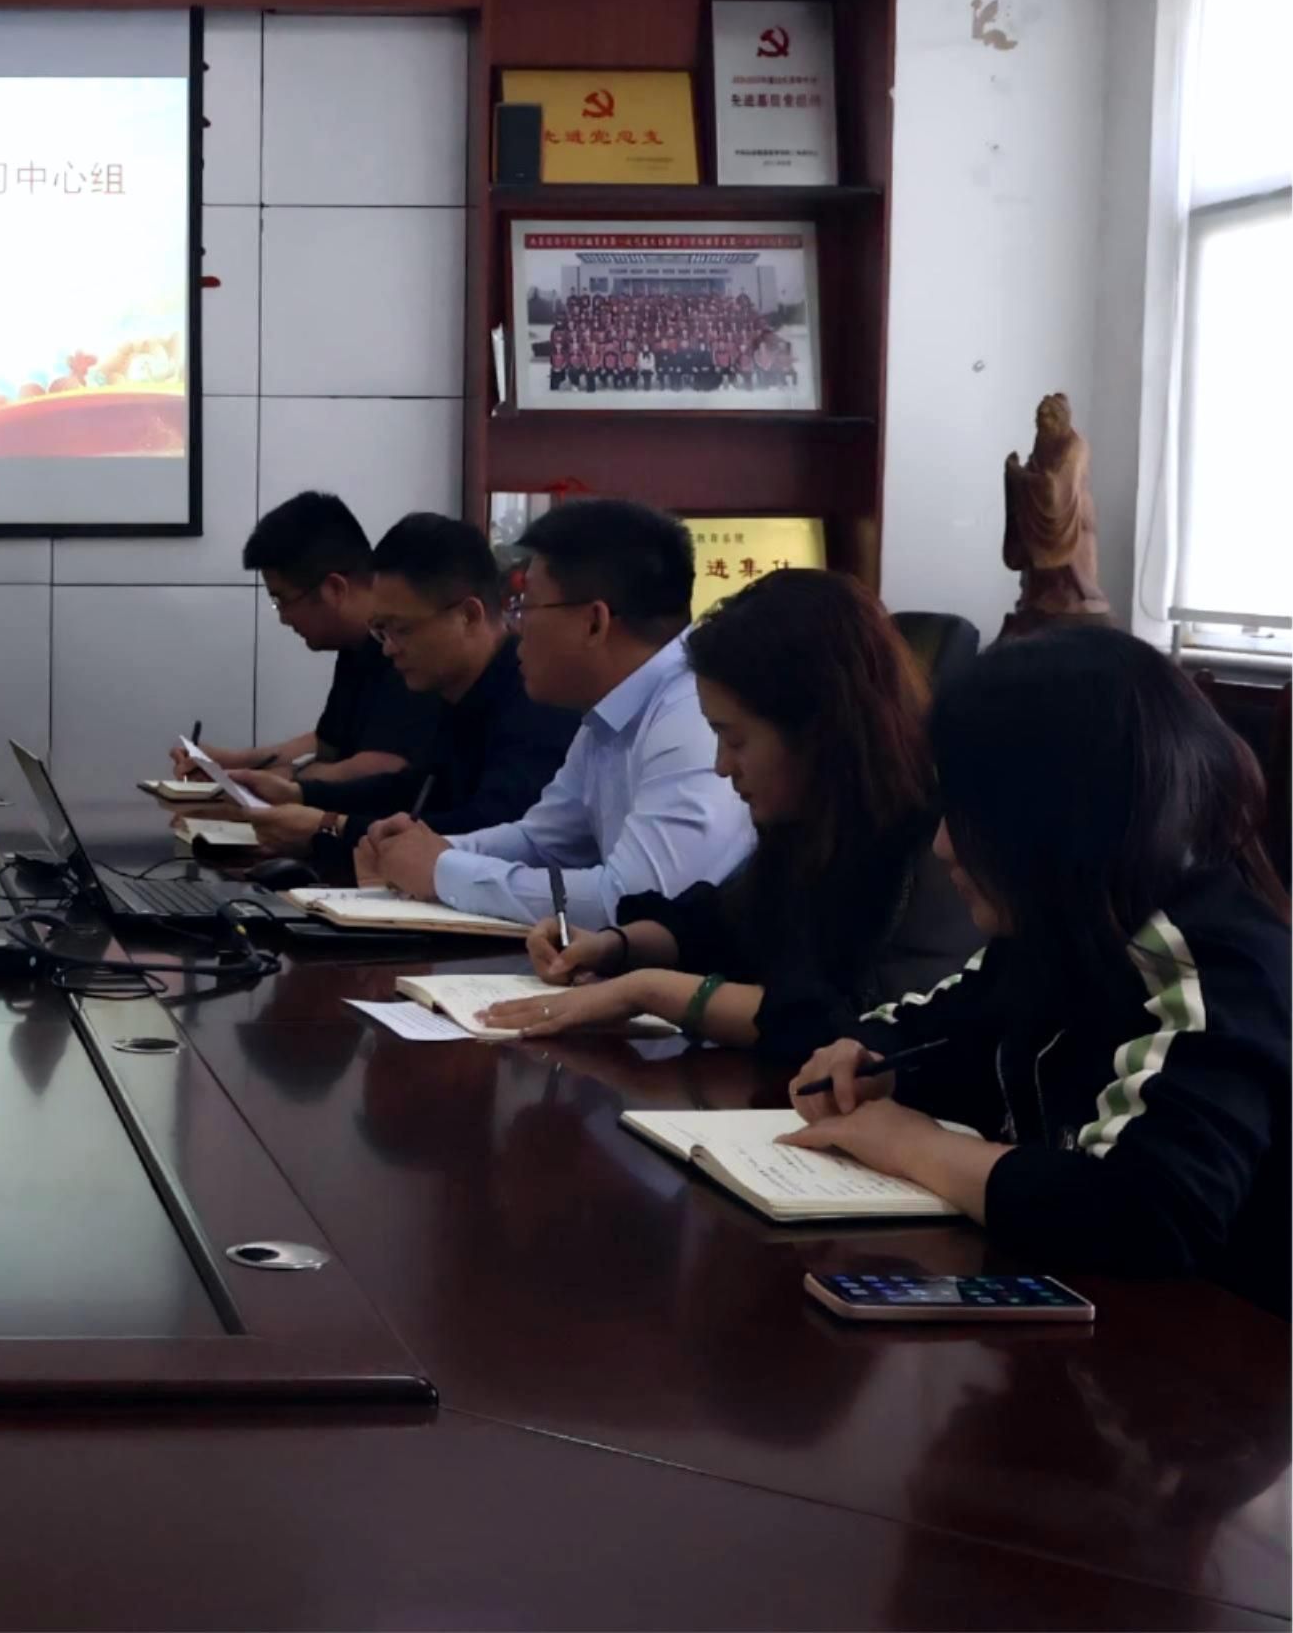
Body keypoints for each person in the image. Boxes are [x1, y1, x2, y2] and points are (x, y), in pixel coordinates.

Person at [782, 625, 1288, 1316]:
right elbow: (933, 1028)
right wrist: (870, 1060)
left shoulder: (1208, 967)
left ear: (1057, 816)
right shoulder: (1055, 933)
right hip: (1075, 1319)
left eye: (967, 812)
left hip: (1216, 1354)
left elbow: (1149, 1211)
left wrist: (910, 1144)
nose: (942, 845)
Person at [480, 569, 980, 1058]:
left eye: (735, 740)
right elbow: (729, 923)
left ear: (819, 730)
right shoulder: (811, 824)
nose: (722, 766)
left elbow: (856, 1023)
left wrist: (647, 991)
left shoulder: (938, 847)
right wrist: (614, 946)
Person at [357, 496, 753, 924]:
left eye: (524, 606)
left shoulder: (692, 712)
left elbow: (632, 900)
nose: (514, 625)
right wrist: (434, 849)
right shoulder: (607, 713)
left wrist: (442, 870)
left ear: (594, 622)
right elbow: (543, 842)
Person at [186, 513, 576, 869]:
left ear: (468, 616)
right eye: (380, 631)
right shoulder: (457, 689)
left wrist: (328, 826)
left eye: (401, 630)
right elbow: (415, 790)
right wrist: (298, 795)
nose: (388, 649)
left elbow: (488, 831)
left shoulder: (536, 699)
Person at [173, 491, 438, 792]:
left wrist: (283, 779)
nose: (283, 619)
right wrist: (231, 763)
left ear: (334, 589)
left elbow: (381, 767)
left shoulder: (405, 648)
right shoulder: (354, 648)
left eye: (283, 601)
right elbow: (328, 743)